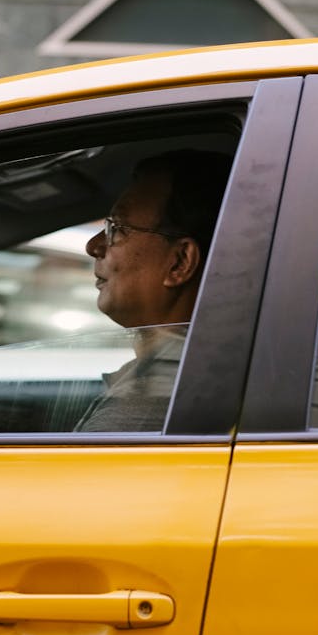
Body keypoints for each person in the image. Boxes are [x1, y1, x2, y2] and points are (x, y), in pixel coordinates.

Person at [74, 148, 232, 432]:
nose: (93, 246)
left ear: (180, 263)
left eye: (117, 228)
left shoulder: (151, 404)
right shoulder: (197, 374)